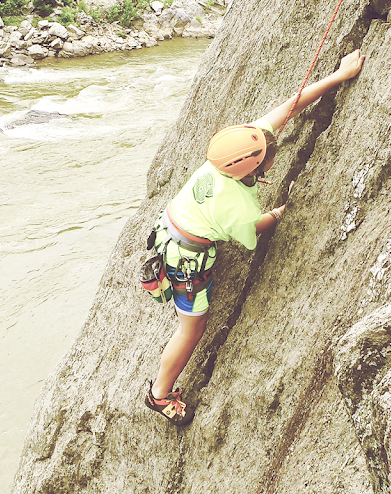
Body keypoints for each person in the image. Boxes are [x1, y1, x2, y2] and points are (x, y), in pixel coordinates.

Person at [144, 49, 366, 426]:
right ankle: (159, 394)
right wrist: (279, 213)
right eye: (267, 155)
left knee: (190, 320)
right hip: (186, 259)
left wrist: (337, 77)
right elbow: (251, 233)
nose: (270, 145)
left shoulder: (228, 153)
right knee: (192, 329)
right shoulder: (237, 206)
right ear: (256, 165)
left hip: (170, 229)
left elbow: (288, 107)